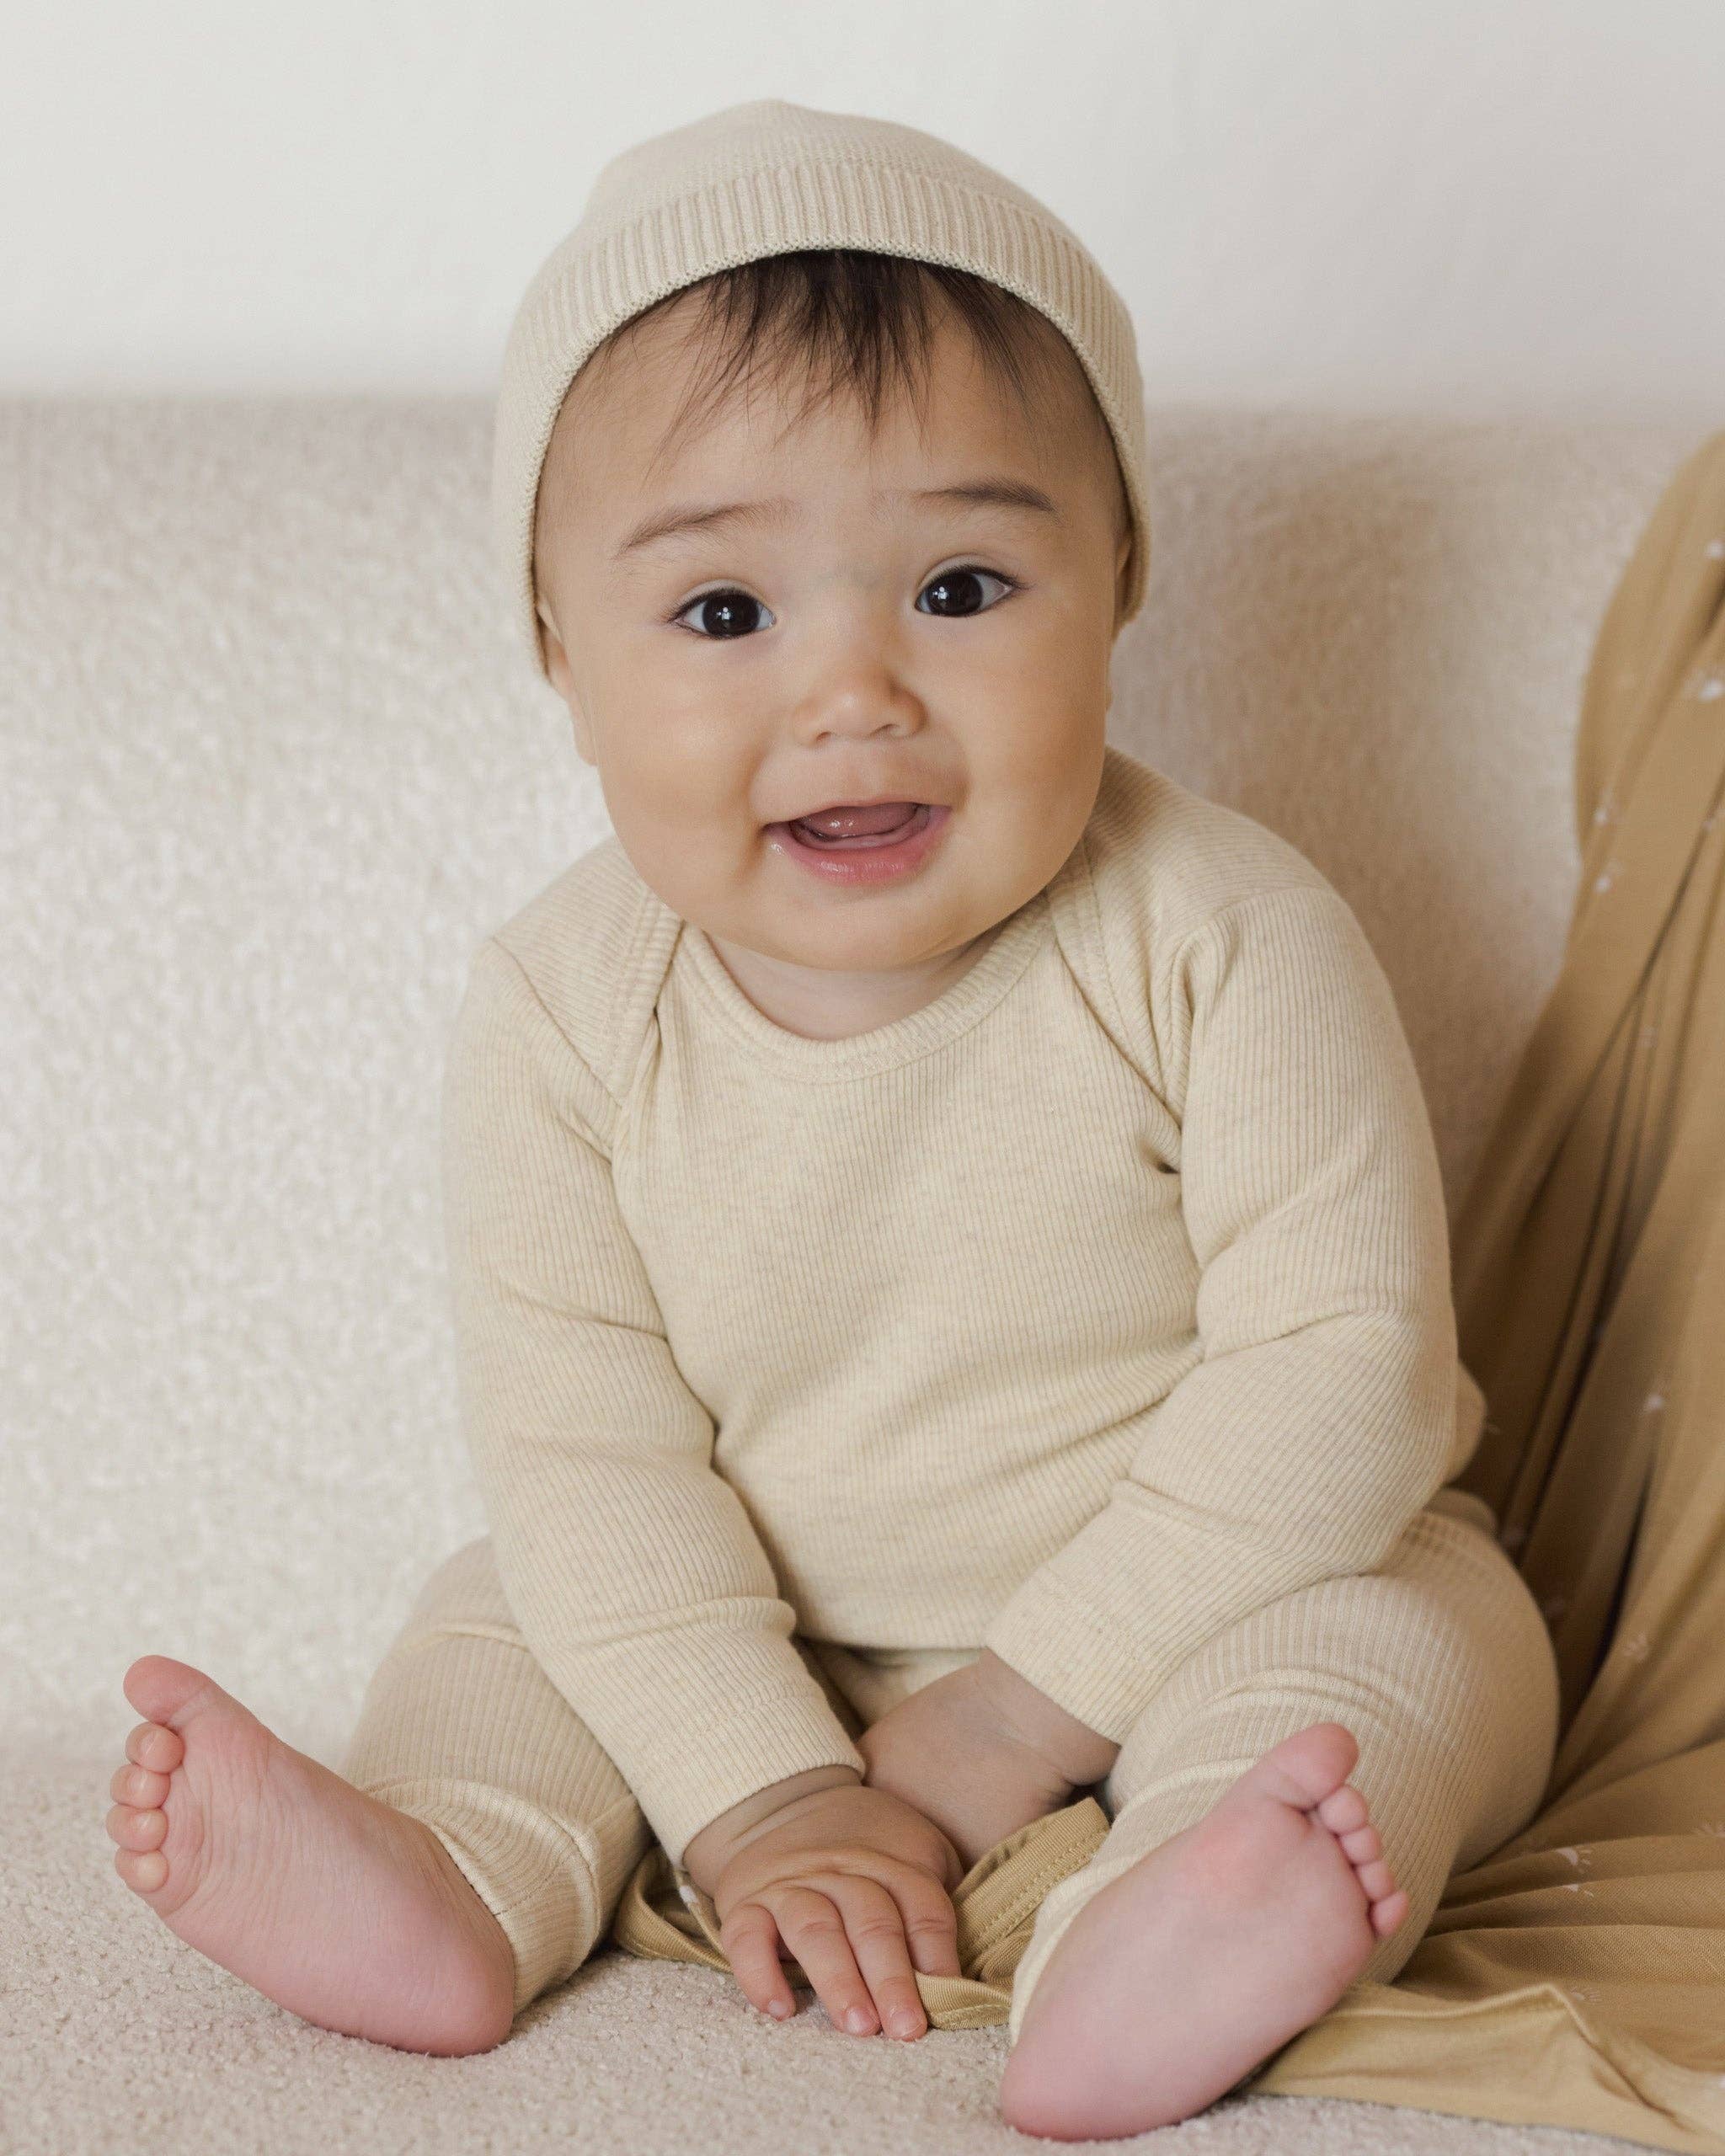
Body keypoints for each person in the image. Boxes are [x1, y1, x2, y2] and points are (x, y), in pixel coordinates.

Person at [102, 99, 1558, 2139]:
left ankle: (1185, 1901)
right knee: (527, 1595)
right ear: (556, 647)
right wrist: (762, 1782)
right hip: (766, 1620)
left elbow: (1347, 1374)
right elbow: (587, 1446)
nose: (855, 692)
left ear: (1120, 572)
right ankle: (448, 1867)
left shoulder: (1221, 931)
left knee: (1400, 1649)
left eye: (962, 585)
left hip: (1218, 1580)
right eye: (723, 615)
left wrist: (1009, 1720)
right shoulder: (561, 1010)